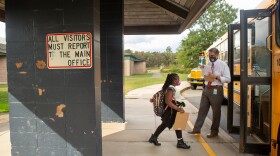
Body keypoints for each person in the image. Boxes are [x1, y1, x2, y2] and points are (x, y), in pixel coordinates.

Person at [188, 48, 231, 138]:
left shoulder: (223, 65)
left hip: (216, 89)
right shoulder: (208, 64)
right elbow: (206, 76)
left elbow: (228, 79)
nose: (211, 57)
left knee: (216, 112)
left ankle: (214, 131)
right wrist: (203, 71)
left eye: (212, 56)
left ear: (217, 55)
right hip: (206, 89)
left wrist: (216, 77)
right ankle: (196, 129)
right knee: (202, 110)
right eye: (209, 55)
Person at [148, 73, 191, 149]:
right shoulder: (170, 89)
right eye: (177, 79)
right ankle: (180, 142)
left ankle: (154, 137)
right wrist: (178, 108)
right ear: (173, 80)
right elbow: (167, 101)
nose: (178, 80)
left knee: (171, 124)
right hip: (171, 110)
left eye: (178, 78)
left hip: (172, 109)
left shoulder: (170, 87)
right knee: (174, 124)